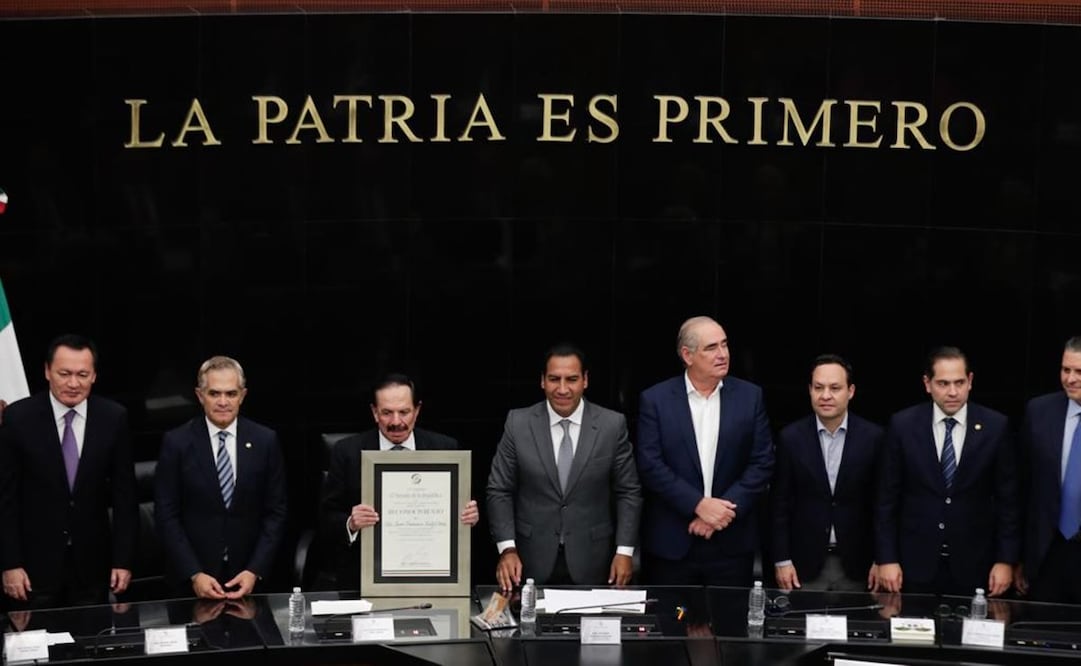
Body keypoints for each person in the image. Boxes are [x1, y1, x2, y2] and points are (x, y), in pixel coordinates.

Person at [486, 344, 641, 591]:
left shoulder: (612, 425)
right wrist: (507, 548)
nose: (562, 389)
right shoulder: (518, 423)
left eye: (571, 379)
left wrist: (624, 552)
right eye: (554, 379)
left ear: (585, 380)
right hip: (529, 560)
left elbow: (628, 491)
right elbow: (499, 489)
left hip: (595, 560)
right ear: (542, 381)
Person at [0, 334, 138, 609]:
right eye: (64, 373)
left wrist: (123, 561)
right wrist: (10, 563)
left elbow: (125, 497)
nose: (73, 383)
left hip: (93, 568)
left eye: (82, 374)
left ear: (94, 376)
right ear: (47, 371)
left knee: (92, 645)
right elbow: (5, 498)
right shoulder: (18, 418)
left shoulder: (114, 417)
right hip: (32, 570)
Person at [636, 316, 774, 587]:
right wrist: (698, 505)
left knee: (730, 627)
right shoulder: (656, 400)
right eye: (711, 348)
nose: (722, 354)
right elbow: (650, 465)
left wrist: (720, 513)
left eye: (724, 345)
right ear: (687, 355)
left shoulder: (750, 397)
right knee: (672, 624)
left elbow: (762, 462)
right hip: (673, 545)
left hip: (732, 544)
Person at [875, 346, 1019, 597]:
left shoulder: (996, 427)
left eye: (959, 382)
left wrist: (1005, 560)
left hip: (975, 566)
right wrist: (886, 558)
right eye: (943, 383)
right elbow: (886, 498)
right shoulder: (903, 425)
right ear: (927, 384)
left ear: (970, 381)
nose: (952, 392)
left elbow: (1009, 501)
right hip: (914, 565)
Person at [318, 372, 479, 591]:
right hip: (364, 575)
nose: (396, 422)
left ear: (417, 410)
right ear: (375, 412)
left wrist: (469, 516)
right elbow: (327, 518)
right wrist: (351, 523)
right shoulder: (347, 452)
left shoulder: (445, 448)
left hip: (431, 572)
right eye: (387, 413)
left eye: (404, 412)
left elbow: (460, 515)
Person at [155, 355, 287, 600]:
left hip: (249, 579)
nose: (223, 402)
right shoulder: (177, 442)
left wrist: (254, 570)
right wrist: (194, 573)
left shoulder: (265, 441)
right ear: (199, 395)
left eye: (231, 393)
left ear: (243, 395)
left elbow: (276, 512)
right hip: (192, 581)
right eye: (215, 393)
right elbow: (166, 515)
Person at [770, 354, 883, 592]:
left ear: (850, 391)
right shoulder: (790, 438)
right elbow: (778, 504)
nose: (826, 396)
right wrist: (782, 559)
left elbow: (882, 504)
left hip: (859, 565)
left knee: (859, 627)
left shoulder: (874, 438)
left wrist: (882, 559)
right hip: (803, 566)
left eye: (835, 388)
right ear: (809, 390)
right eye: (818, 388)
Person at [1016, 336, 1081, 603]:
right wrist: (1016, 557)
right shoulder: (1040, 411)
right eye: (1066, 370)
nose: (1070, 379)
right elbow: (1022, 486)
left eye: (1079, 372)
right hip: (1046, 554)